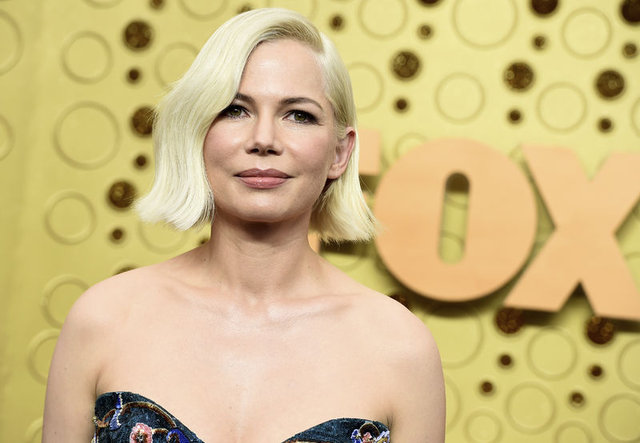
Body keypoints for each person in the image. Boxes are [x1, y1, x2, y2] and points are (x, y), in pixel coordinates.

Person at [42, 8, 445, 442]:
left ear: (339, 153)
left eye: (299, 115)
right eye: (235, 110)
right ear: (197, 133)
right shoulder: (103, 318)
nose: (264, 139)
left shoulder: (400, 348)